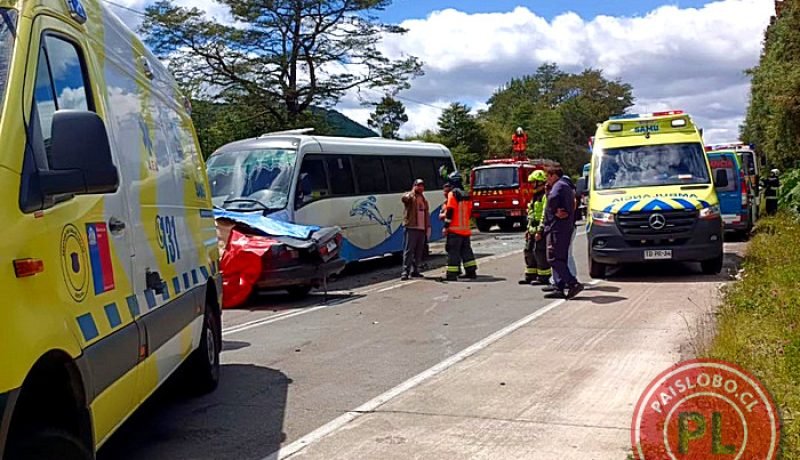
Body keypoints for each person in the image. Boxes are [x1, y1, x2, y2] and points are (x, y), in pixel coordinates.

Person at [543, 165, 584, 299]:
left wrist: (553, 211)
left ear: (553, 175)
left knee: (554, 257)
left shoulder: (558, 187)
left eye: (547, 176)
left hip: (557, 228)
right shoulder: (564, 186)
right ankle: (559, 286)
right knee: (560, 257)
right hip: (563, 227)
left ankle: (573, 283)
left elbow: (553, 201)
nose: (546, 180)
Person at [519, 170, 551, 285]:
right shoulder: (534, 197)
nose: (532, 185)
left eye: (534, 182)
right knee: (528, 251)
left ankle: (543, 276)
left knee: (539, 252)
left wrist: (540, 230)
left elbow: (544, 214)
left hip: (540, 229)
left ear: (540, 182)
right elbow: (531, 214)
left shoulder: (545, 196)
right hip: (532, 229)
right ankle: (530, 275)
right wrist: (528, 229)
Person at [443, 172, 477, 281]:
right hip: (465, 230)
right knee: (467, 252)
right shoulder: (466, 194)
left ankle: (451, 274)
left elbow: (450, 211)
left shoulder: (452, 194)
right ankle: (471, 272)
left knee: (453, 252)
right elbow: (470, 212)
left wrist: (446, 226)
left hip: (455, 230)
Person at [400, 179, 431, 280]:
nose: (420, 187)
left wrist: (428, 227)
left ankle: (415, 270)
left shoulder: (424, 200)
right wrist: (412, 192)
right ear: (414, 186)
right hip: (412, 227)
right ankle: (405, 271)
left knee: (419, 251)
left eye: (422, 185)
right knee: (409, 250)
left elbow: (426, 214)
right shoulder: (411, 197)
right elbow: (404, 198)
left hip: (422, 228)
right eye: (418, 185)